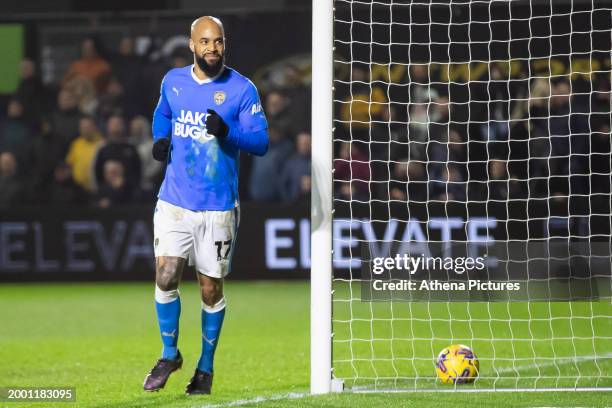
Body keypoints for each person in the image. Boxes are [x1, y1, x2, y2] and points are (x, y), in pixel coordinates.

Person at [143, 16, 269, 395]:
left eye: (218, 42)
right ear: (191, 44)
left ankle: (205, 369)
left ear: (224, 44)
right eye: (205, 42)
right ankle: (169, 354)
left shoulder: (242, 89)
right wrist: (160, 138)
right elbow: (163, 113)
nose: (211, 49)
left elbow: (261, 142)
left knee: (209, 290)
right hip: (174, 201)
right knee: (165, 275)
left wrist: (228, 132)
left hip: (217, 208)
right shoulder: (173, 81)